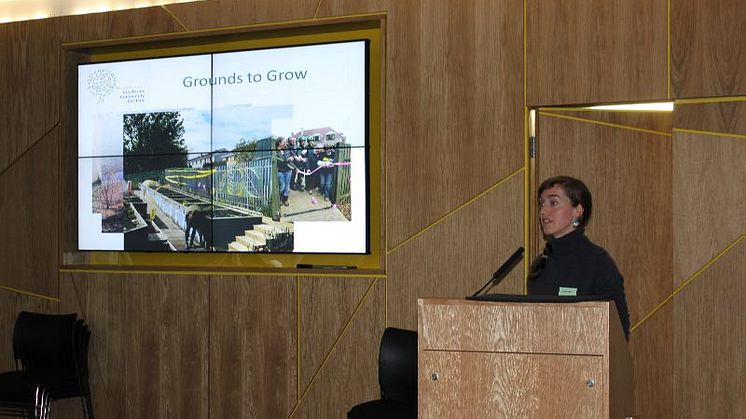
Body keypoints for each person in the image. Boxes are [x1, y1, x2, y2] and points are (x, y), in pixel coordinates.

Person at [527, 176, 631, 339]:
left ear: (578, 211)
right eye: (542, 204)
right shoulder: (540, 265)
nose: (543, 211)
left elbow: (618, 331)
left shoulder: (598, 263)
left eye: (553, 203)